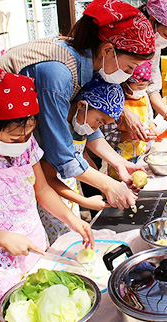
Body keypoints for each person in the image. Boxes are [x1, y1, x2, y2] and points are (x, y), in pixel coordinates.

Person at [0, 55, 94, 317]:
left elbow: (42, 189)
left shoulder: (25, 147)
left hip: (34, 249)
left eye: (28, 132)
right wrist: (2, 238)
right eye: (14, 136)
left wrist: (72, 219)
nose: (23, 140)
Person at [0, 0, 156, 210]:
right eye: (129, 68)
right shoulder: (57, 74)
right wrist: (108, 185)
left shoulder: (87, 64)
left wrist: (118, 162)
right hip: (4, 150)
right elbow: (60, 153)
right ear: (108, 50)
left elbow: (85, 127)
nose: (128, 76)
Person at [40, 74, 125, 244]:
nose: (96, 128)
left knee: (74, 236)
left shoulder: (78, 126)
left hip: (70, 195)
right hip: (52, 202)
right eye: (99, 121)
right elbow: (48, 181)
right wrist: (84, 200)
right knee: (61, 243)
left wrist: (103, 186)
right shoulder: (56, 134)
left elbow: (83, 159)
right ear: (82, 105)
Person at [111, 0, 167, 141]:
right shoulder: (122, 39)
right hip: (110, 120)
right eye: (166, 34)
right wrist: (123, 111)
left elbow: (152, 89)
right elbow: (100, 84)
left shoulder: (155, 45)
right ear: (152, 20)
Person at [114, 61, 159, 163]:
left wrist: (153, 130)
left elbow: (149, 119)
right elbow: (108, 137)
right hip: (121, 159)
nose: (143, 90)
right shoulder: (115, 104)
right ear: (125, 84)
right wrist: (133, 135)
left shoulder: (144, 97)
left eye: (146, 86)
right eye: (140, 86)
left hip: (143, 155)